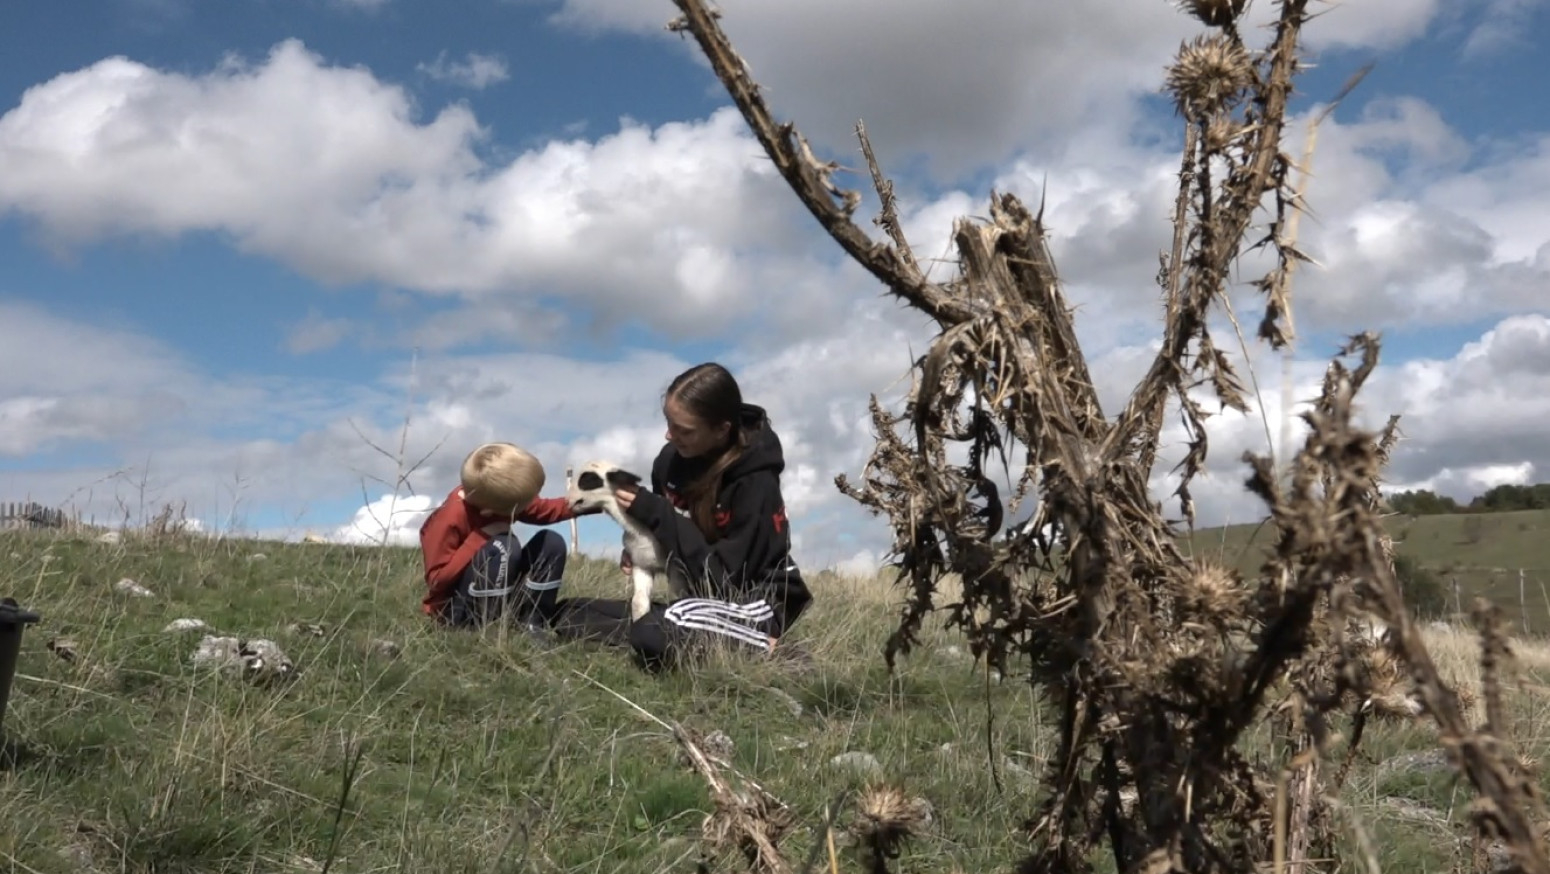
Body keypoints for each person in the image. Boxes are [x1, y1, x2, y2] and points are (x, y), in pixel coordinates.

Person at [611, 362, 813, 671]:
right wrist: (641, 550)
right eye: (669, 422)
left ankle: (770, 649)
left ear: (722, 430)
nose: (669, 435)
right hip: (696, 595)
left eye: (684, 430)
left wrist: (657, 513)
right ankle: (694, 626)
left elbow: (726, 579)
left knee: (651, 632)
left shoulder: (756, 482)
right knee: (570, 615)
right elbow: (667, 540)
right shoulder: (667, 464)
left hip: (752, 595)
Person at [419, 442, 595, 631]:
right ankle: (482, 627)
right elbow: (437, 580)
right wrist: (481, 536)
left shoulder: (498, 496)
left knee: (552, 542)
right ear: (488, 511)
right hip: (455, 608)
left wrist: (596, 502)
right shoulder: (450, 517)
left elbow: (546, 510)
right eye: (525, 504)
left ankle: (533, 622)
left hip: (498, 591)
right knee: (503, 547)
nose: (532, 505)